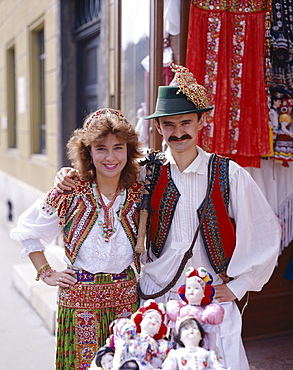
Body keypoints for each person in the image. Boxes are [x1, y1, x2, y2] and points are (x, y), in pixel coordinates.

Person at [53, 64, 281, 370]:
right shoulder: (145, 169)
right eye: (169, 125)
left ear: (202, 121)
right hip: (156, 299)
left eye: (186, 122)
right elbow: (104, 166)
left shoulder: (229, 174)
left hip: (211, 300)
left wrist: (239, 287)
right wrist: (67, 174)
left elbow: (265, 231)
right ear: (158, 128)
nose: (178, 132)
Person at [10, 108, 144, 370]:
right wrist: (45, 272)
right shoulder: (69, 190)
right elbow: (27, 229)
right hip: (80, 301)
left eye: (118, 148)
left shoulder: (138, 190)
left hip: (127, 300)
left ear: (128, 150)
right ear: (88, 152)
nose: (110, 157)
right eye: (100, 148)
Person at [166, 267, 224, 352]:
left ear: (204, 293)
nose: (191, 291)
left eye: (196, 288)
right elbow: (175, 333)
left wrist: (212, 351)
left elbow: (211, 336)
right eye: (189, 288)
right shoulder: (179, 311)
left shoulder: (206, 314)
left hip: (201, 349)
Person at [110, 300, 172, 370]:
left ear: (159, 330)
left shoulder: (159, 345)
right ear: (141, 322)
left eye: (158, 321)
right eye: (150, 318)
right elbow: (120, 347)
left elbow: (157, 362)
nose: (153, 321)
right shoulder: (131, 334)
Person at [161, 316, 229, 370]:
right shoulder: (175, 354)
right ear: (180, 337)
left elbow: (217, 366)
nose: (191, 330)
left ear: (201, 336)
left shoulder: (209, 354)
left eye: (194, 328)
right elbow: (169, 366)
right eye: (186, 329)